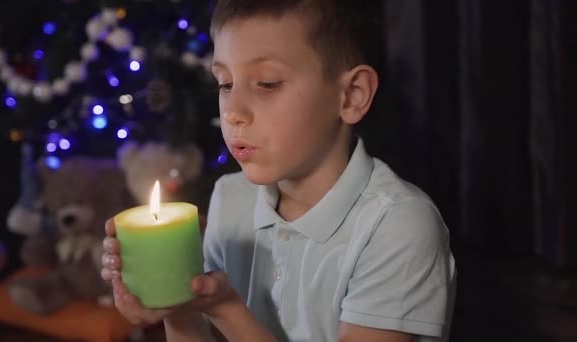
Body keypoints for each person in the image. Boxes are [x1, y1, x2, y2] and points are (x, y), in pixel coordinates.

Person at [101, 1, 456, 341]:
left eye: (268, 83)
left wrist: (226, 309)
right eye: (226, 83)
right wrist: (177, 302)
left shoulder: (398, 226)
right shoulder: (231, 196)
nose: (233, 111)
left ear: (351, 95)